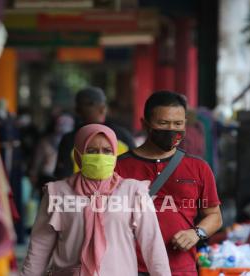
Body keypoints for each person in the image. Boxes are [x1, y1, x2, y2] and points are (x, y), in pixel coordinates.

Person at [21, 124, 171, 276]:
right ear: (78, 155)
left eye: (107, 151)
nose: (100, 156)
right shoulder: (57, 193)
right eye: (91, 151)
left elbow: (153, 245)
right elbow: (39, 247)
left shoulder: (133, 191)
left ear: (115, 155)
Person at [115, 91, 223, 276]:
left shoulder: (199, 168)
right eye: (163, 123)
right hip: (129, 267)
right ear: (145, 124)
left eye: (178, 124)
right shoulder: (118, 167)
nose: (171, 129)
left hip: (180, 268)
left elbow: (215, 216)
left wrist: (196, 233)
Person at [54, 86, 135, 179]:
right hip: (80, 192)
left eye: (107, 151)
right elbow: (63, 176)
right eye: (91, 104)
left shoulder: (123, 136)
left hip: (114, 192)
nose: (101, 108)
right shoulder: (70, 140)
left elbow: (133, 170)